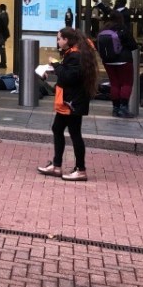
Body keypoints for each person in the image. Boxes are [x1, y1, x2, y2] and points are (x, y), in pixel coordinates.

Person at [37, 28, 96, 182]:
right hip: (70, 100)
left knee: (74, 133)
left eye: (59, 39)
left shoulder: (75, 55)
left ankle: (80, 169)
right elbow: (68, 74)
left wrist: (56, 65)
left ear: (67, 40)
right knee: (58, 128)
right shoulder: (74, 53)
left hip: (72, 102)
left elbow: (69, 76)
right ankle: (57, 166)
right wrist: (53, 69)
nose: (58, 42)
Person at [96, 11, 138, 118]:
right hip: (124, 60)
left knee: (114, 84)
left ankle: (115, 109)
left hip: (108, 61)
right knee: (126, 84)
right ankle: (123, 109)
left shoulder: (103, 30)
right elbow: (133, 45)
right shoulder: (122, 29)